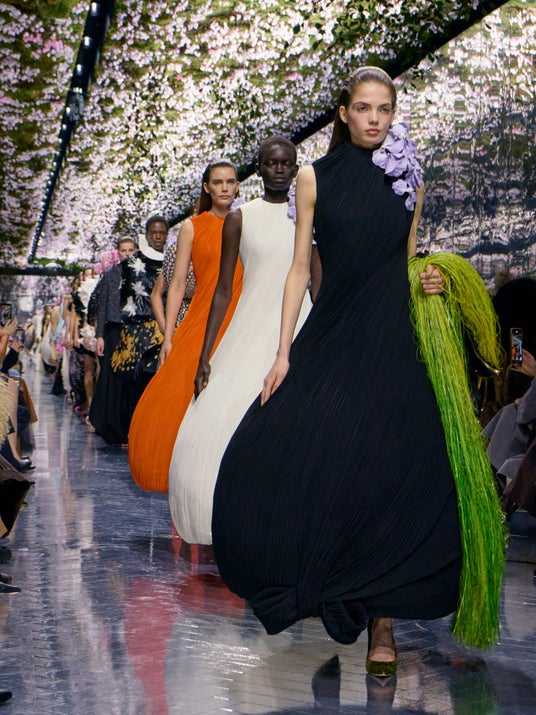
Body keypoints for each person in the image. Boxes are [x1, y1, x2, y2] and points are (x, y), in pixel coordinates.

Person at [211, 67, 501, 676]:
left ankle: (383, 624)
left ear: (394, 113)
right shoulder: (313, 177)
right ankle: (331, 582)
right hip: (337, 331)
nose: (375, 119)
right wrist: (283, 352)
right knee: (297, 451)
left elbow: (408, 257)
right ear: (343, 113)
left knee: (391, 468)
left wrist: (428, 278)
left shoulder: (409, 178)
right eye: (364, 108)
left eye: (385, 109)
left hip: (395, 337)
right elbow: (299, 269)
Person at [168, 136, 312, 545]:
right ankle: (231, 513)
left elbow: (316, 276)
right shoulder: (240, 218)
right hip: (249, 324)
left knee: (294, 423)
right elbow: (222, 290)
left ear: (296, 167)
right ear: (259, 168)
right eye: (271, 163)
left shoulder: (310, 215)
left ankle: (282, 517)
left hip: (300, 323)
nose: (279, 170)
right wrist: (206, 354)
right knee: (224, 414)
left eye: (287, 163)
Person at [127, 160, 243, 493]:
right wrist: (169, 337)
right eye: (217, 182)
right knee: (182, 392)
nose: (224, 188)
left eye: (230, 181)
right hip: (203, 317)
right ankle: (182, 469)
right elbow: (176, 284)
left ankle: (221, 468)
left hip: (241, 314)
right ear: (207, 187)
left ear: (237, 185)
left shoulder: (247, 221)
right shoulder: (193, 227)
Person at [110, 218, 167, 430]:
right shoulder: (130, 264)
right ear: (146, 234)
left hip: (164, 329)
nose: (158, 237)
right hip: (136, 332)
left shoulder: (174, 260)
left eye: (162, 233)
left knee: (157, 382)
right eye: (153, 232)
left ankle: (151, 430)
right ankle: (137, 430)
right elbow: (114, 293)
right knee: (135, 384)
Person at [88, 238, 137, 444]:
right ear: (118, 252)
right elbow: (102, 307)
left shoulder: (142, 274)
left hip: (134, 329)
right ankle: (110, 426)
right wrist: (99, 335)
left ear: (136, 251)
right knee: (112, 377)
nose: (127, 254)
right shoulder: (110, 275)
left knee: (131, 379)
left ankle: (129, 427)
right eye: (123, 250)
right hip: (113, 330)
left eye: (130, 250)